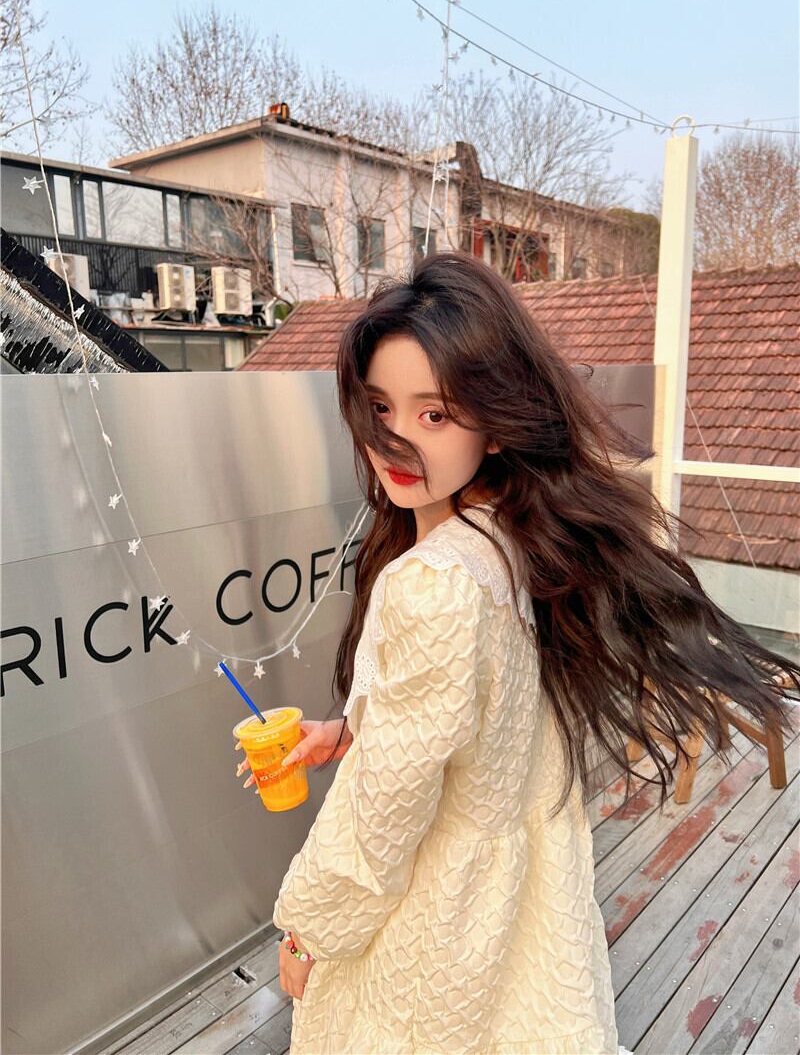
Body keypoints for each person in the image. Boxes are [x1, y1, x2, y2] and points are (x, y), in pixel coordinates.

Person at [235, 251, 799, 1054]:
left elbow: (384, 813)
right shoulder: (514, 539)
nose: (395, 439)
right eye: (380, 407)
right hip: (521, 905)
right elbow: (462, 721)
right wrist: (350, 731)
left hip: (437, 919)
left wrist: (309, 930)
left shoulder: (434, 580)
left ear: (496, 423)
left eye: (435, 415)